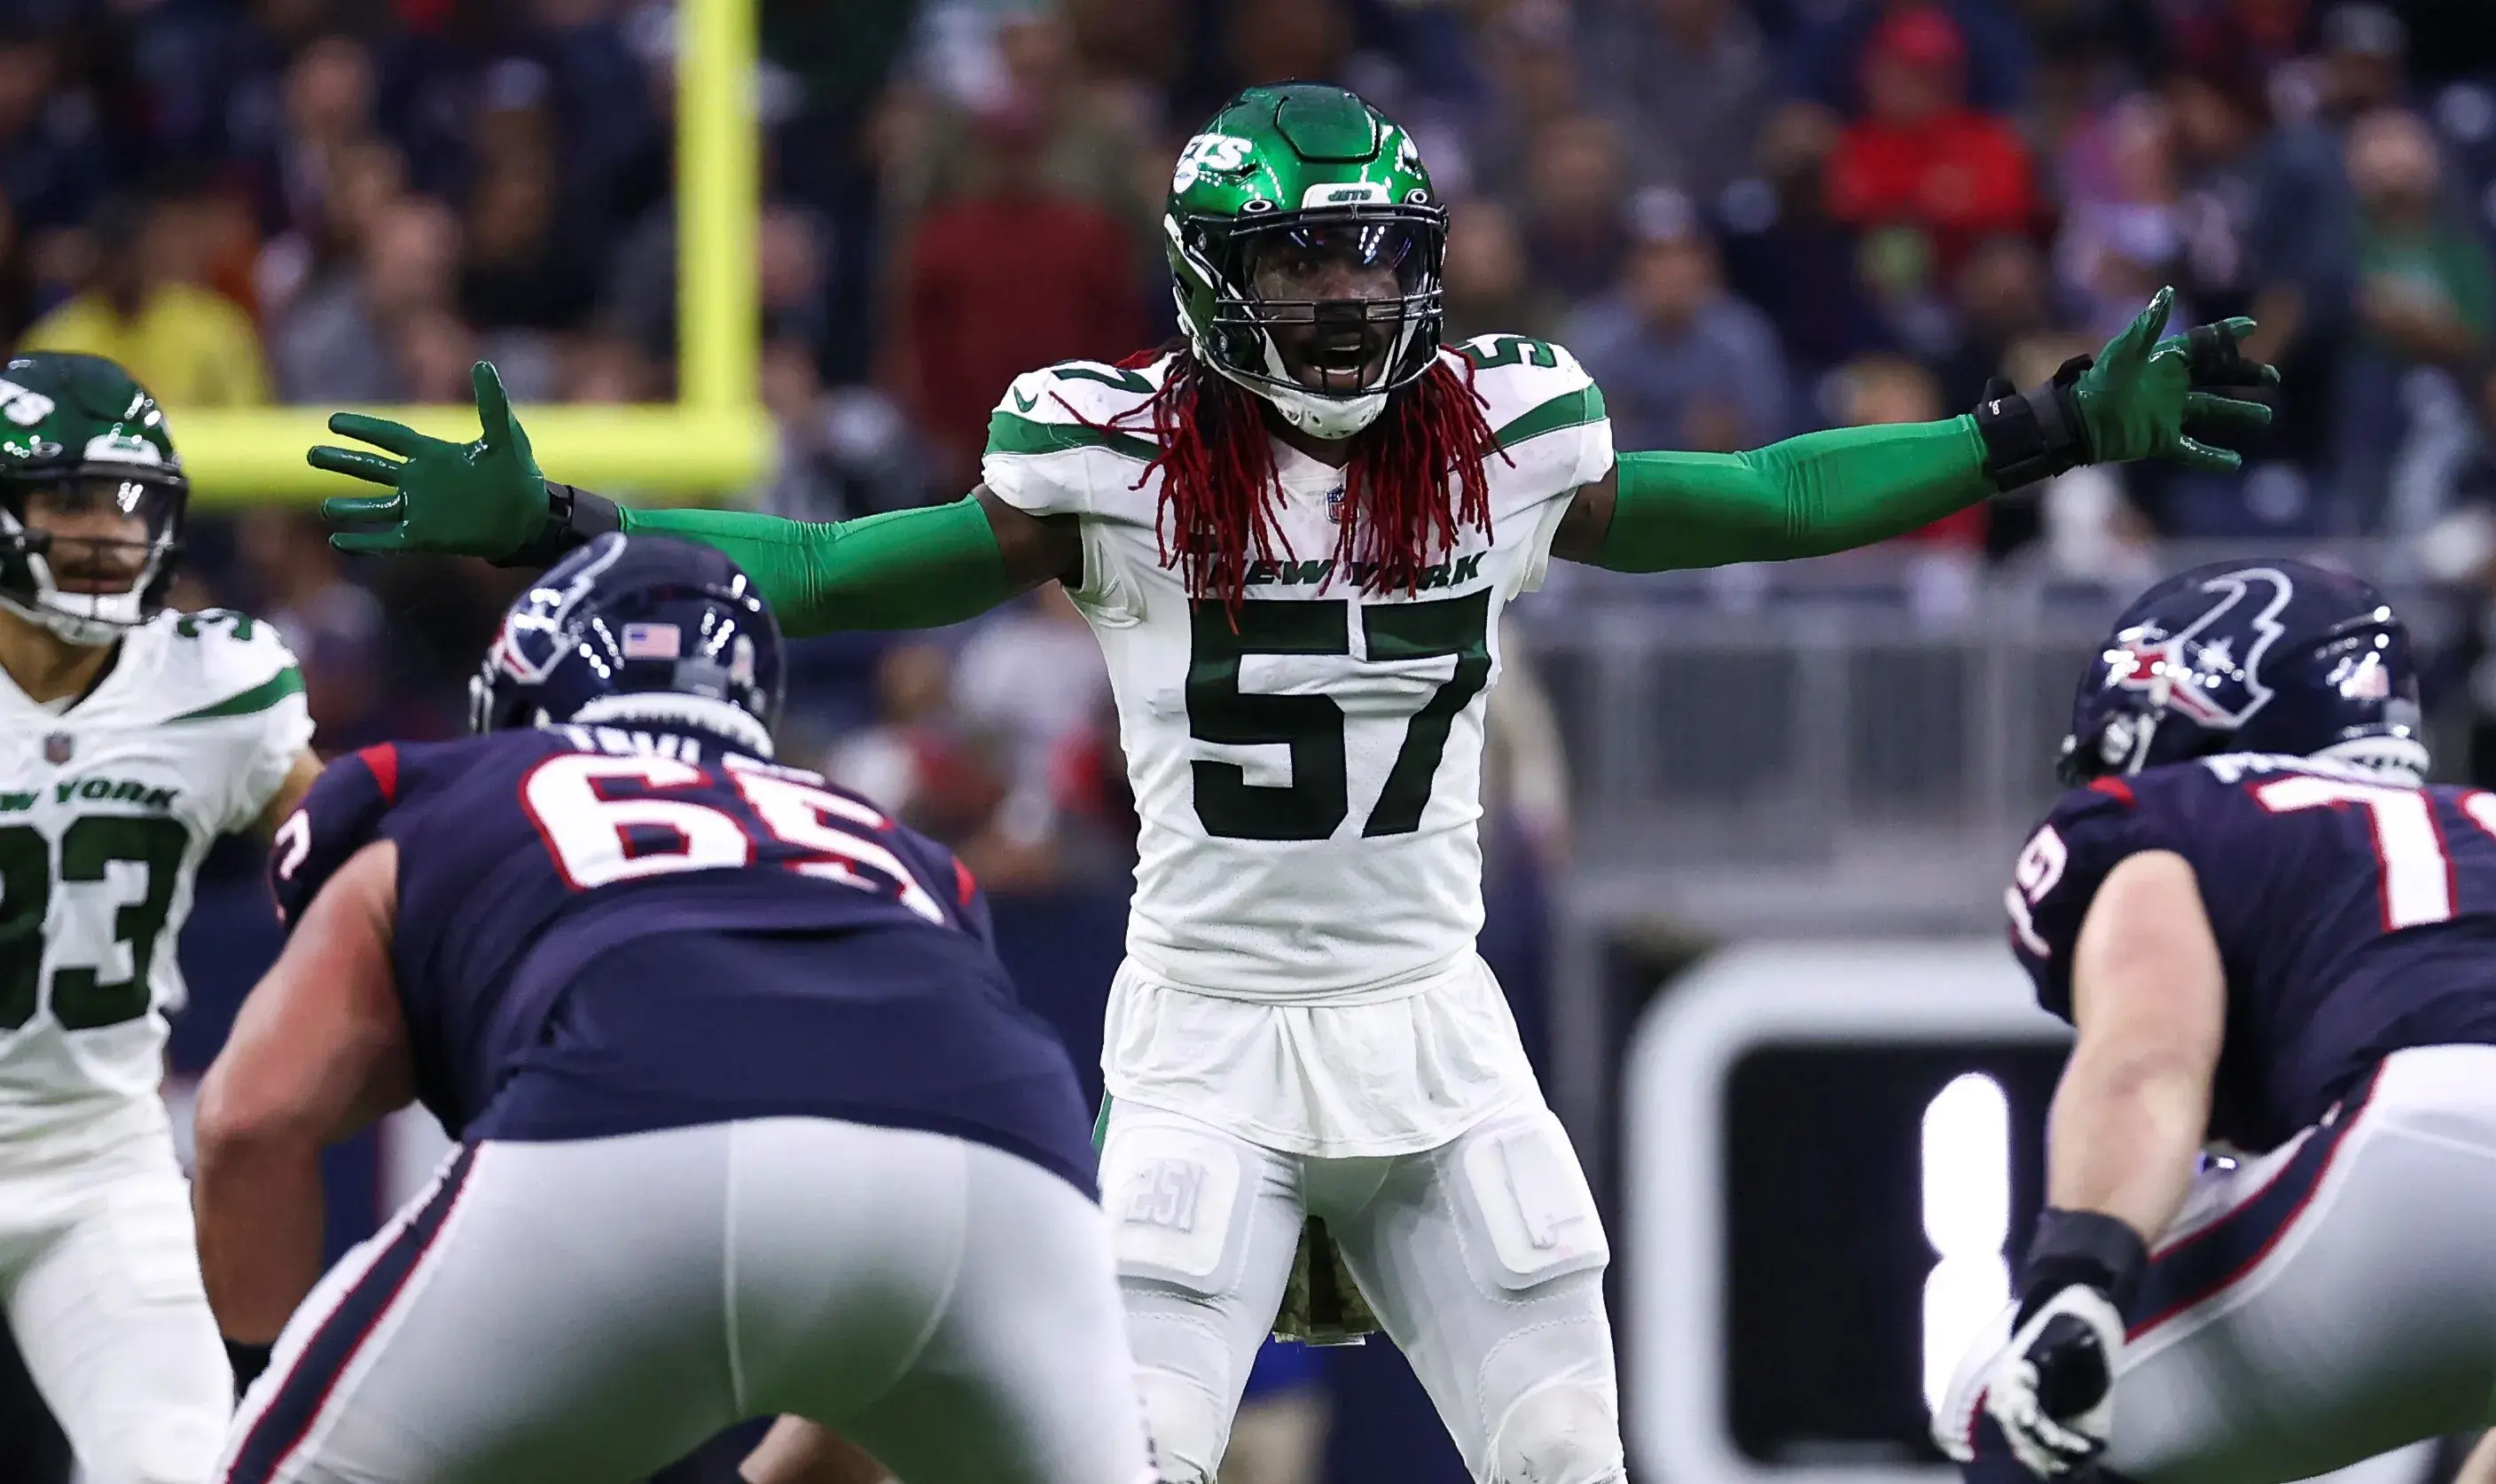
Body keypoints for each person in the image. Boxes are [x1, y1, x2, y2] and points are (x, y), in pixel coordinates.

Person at [304, 82, 2277, 1484]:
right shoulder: (1113, 466)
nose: (1343, 306)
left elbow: (1761, 494)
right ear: (1202, 279)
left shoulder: (1503, 436)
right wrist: (569, 517)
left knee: (1570, 1454)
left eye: (1371, 265)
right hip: (1207, 1041)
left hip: (1437, 1022)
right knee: (1136, 1460)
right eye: (1297, 269)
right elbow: (826, 571)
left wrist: (2037, 432)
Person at [192, 533, 1152, 1484]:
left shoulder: (446, 790)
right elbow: (876, 1356)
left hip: (629, 1116)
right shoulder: (895, 848)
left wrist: (258, 1385)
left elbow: (250, 1119)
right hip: (1012, 1170)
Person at [1939, 558, 2496, 1484]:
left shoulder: (2179, 815)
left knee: (2006, 1401)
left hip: (2416, 1158)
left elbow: (2148, 1057)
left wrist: (2079, 1283)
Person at [0, 351, 318, 1484]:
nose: (106, 532)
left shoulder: (211, 686)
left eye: (131, 503)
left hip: (95, 1161)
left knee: (176, 1462)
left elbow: (351, 866)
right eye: (71, 498)